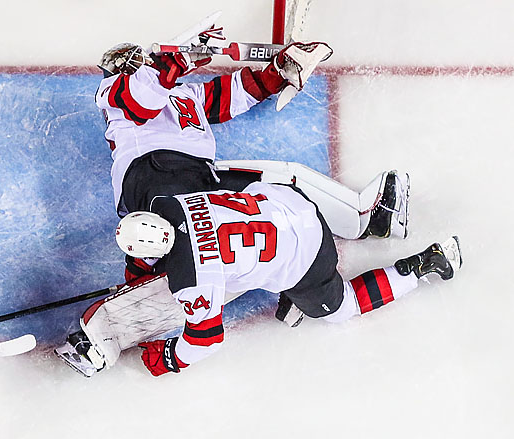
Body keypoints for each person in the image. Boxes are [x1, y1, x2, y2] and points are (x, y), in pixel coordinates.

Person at [55, 33, 410, 375]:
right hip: (154, 177)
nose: (129, 67)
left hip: (202, 177)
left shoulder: (184, 92)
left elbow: (230, 95)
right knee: (170, 242)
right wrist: (169, 67)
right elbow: (140, 100)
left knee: (284, 180)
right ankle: (113, 325)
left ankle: (365, 221)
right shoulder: (114, 94)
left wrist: (277, 73)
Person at [111, 186, 461, 376]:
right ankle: (290, 285)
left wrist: (172, 357)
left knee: (340, 309)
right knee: (238, 264)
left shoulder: (193, 280)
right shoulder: (173, 204)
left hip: (308, 256)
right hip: (290, 203)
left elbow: (207, 340)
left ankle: (424, 264)